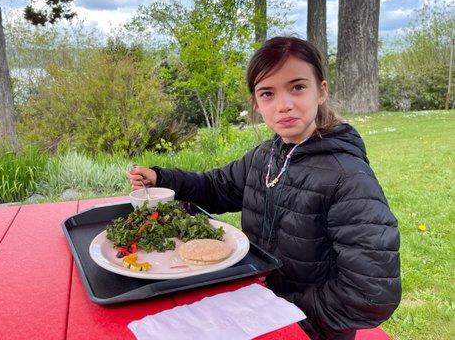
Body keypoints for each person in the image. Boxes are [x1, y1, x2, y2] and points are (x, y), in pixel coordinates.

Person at [128, 36, 401, 340]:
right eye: (268, 93)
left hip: (306, 329)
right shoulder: (266, 155)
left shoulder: (347, 178)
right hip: (256, 311)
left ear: (321, 91)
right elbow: (216, 187)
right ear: (256, 103)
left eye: (298, 87)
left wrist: (279, 309)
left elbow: (372, 296)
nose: (284, 105)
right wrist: (161, 178)